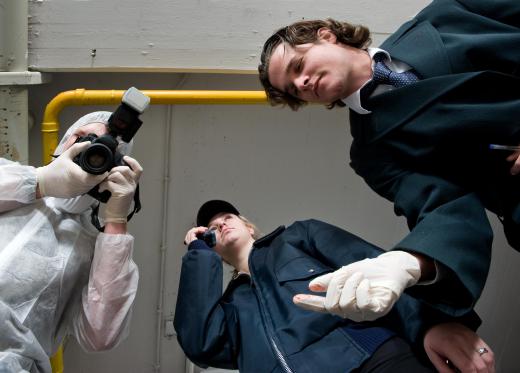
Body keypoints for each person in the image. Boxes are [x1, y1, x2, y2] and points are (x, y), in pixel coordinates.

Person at [257, 0, 520, 321]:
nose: (301, 84)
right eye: (293, 90)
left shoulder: (445, 13)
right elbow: (446, 208)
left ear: (326, 36)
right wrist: (409, 262)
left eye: (298, 66)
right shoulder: (373, 155)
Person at [174, 200, 495, 373]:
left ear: (247, 225)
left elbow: (375, 268)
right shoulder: (229, 308)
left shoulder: (298, 236)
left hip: (373, 360)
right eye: (212, 227)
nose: (221, 224)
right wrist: (198, 254)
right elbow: (200, 344)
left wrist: (430, 326)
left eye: (228, 217)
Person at [0, 111, 142, 373]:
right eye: (83, 138)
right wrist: (41, 182)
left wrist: (116, 220)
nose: (91, 151)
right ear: (63, 142)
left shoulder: (94, 249)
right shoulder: (9, 175)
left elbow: (101, 336)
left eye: (106, 152)